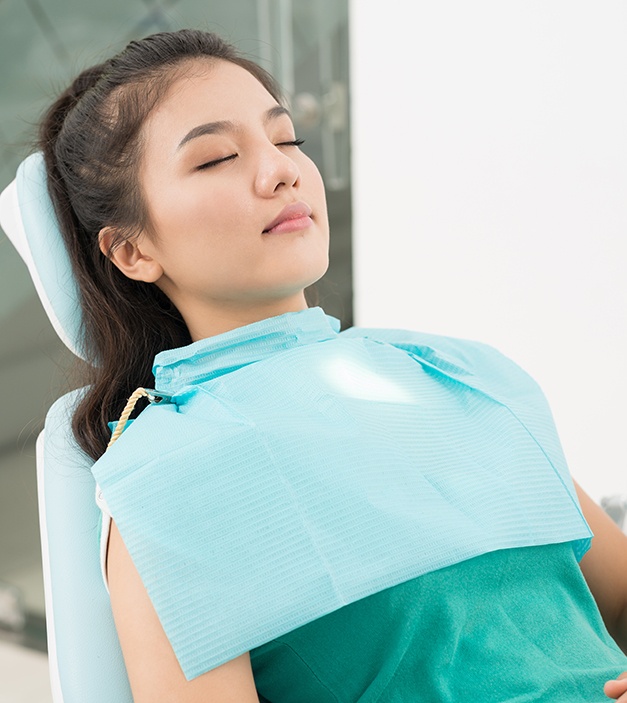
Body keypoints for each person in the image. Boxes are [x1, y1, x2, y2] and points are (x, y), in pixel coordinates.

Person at [37, 28, 627, 702]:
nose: (281, 170)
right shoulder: (169, 475)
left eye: (287, 141)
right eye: (217, 157)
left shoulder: (453, 372)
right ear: (132, 251)